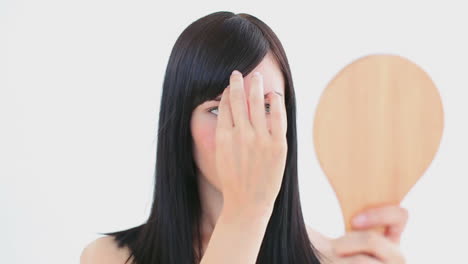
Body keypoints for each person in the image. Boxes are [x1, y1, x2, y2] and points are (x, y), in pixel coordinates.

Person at [80, 11, 408, 264]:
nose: (245, 131)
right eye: (218, 109)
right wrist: (246, 211)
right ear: (181, 124)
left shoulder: (333, 257)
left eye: (266, 106)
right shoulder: (109, 257)